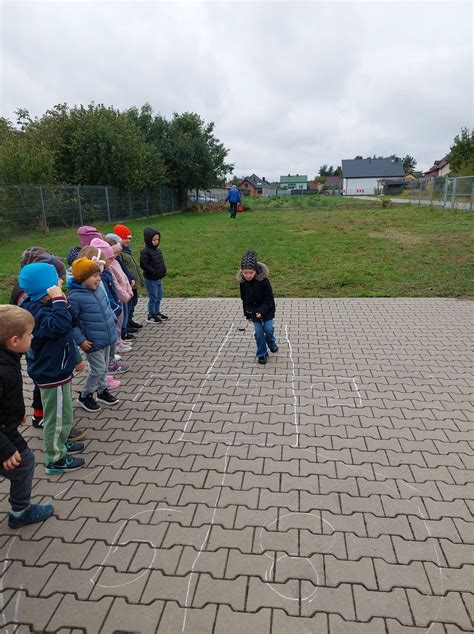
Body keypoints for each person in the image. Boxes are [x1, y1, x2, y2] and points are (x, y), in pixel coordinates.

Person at [17, 263, 86, 475]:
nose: (61, 283)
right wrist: (58, 300)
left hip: (61, 369)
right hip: (50, 373)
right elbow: (59, 326)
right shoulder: (35, 311)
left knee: (65, 414)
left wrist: (61, 300)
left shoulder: (51, 305)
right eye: (56, 281)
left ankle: (62, 443)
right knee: (55, 418)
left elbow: (71, 319)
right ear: (45, 287)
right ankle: (55, 458)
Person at [0, 305, 54, 528]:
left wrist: (17, 413)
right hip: (2, 433)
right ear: (14, 340)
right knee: (24, 462)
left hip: (6, 424)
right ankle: (20, 512)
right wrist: (5, 448)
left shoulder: (8, 357)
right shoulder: (2, 369)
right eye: (30, 334)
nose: (33, 337)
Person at [67, 257, 119, 413]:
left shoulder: (98, 289)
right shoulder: (74, 297)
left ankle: (102, 391)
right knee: (97, 369)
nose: (98, 278)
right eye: (94, 276)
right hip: (91, 341)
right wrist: (80, 340)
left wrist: (113, 318)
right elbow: (71, 323)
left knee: (103, 368)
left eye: (98, 275)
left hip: (107, 336)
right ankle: (85, 395)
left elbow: (106, 307)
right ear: (83, 278)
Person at [237, 250, 278, 365]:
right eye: (245, 273)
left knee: (268, 330)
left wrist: (262, 311)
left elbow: (269, 299)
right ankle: (262, 354)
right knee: (259, 332)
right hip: (254, 311)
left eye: (250, 272)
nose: (248, 275)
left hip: (267, 309)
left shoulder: (263, 280)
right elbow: (244, 299)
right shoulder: (243, 282)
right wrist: (247, 313)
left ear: (255, 270)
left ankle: (271, 343)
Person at [113, 224, 144, 330]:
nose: (128, 241)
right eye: (125, 238)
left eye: (129, 238)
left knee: (134, 302)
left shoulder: (127, 251)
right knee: (129, 304)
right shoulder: (119, 253)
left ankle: (130, 320)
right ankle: (126, 324)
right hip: (127, 283)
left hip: (133, 282)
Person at [140, 227, 168, 323]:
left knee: (159, 296)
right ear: (148, 240)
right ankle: (151, 315)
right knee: (153, 297)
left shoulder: (157, 250)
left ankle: (157, 312)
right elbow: (144, 264)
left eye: (157, 239)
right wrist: (153, 272)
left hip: (159, 278)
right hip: (151, 279)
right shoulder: (145, 252)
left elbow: (160, 262)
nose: (156, 241)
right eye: (154, 240)